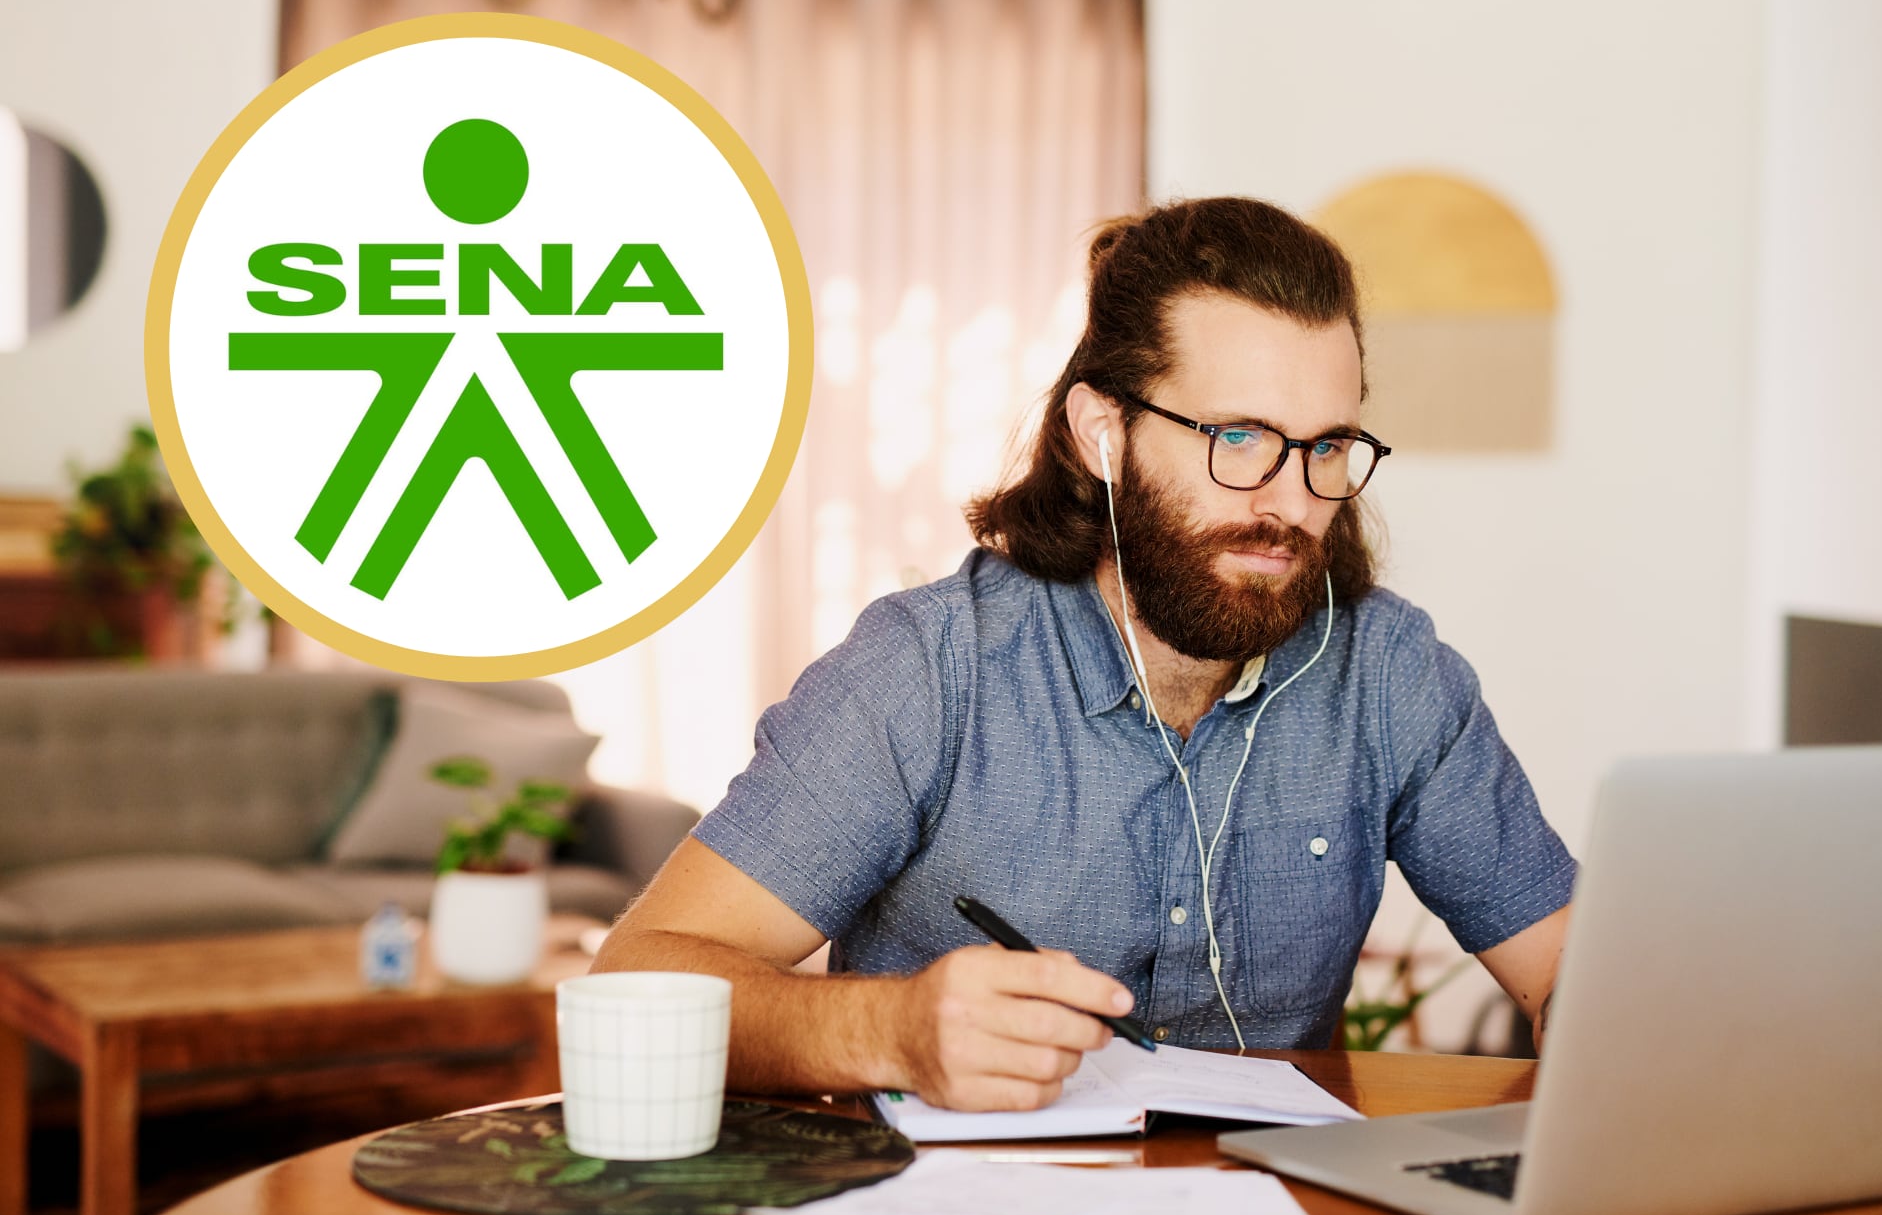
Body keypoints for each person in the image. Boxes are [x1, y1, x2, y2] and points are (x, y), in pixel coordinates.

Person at [591, 196, 1575, 1111]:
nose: (1287, 500)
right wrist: (891, 1030)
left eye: (1327, 448)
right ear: (1103, 432)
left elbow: (1570, 969)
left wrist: (1598, 1016)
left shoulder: (1392, 676)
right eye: (1239, 437)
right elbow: (636, 984)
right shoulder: (928, 672)